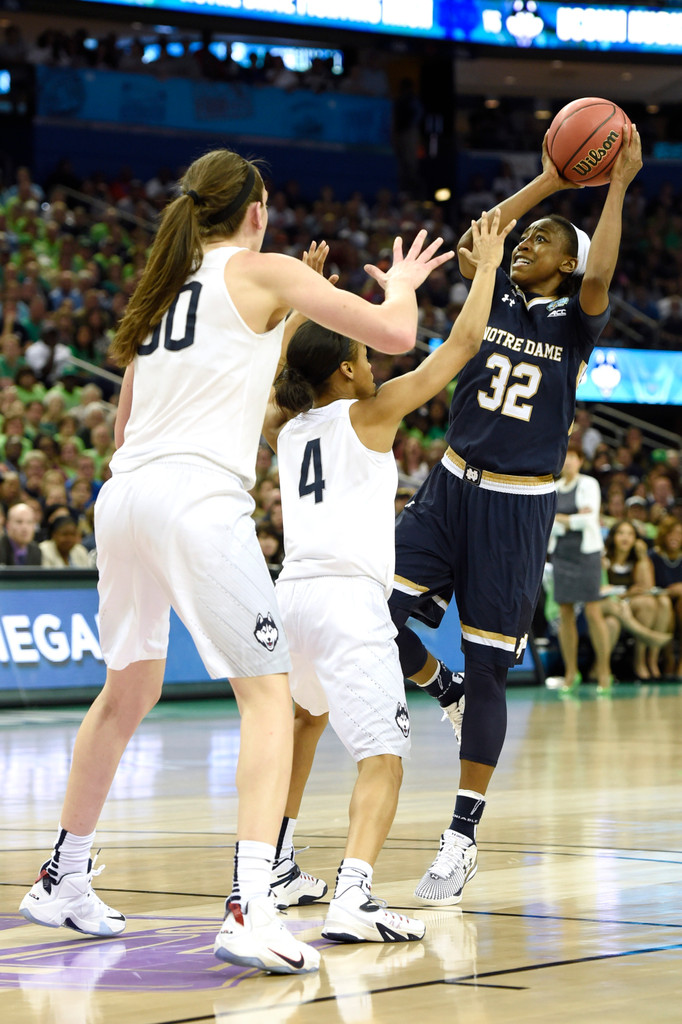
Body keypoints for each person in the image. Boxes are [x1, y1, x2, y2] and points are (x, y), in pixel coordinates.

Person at [18, 147, 453, 977]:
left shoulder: (161, 299)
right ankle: (252, 905)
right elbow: (396, 335)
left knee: (128, 690)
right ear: (255, 210)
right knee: (268, 697)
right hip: (195, 501)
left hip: (125, 498)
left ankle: (63, 873)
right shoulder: (263, 270)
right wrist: (398, 285)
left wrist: (291, 315)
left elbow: (122, 429)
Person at [386, 125, 643, 906]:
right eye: (525, 237)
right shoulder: (494, 284)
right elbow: (475, 242)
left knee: (494, 662)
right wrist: (549, 182)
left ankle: (461, 838)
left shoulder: (576, 319)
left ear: (564, 264)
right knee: (373, 610)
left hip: (518, 505)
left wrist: (616, 187)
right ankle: (442, 687)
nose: (525, 242)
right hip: (451, 483)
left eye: (543, 241)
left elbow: (600, 271)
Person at [262, 212, 514, 943]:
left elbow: (284, 367)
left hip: (291, 600)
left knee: (306, 724)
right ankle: (354, 897)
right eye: (360, 348)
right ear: (345, 370)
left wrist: (304, 299)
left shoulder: (286, 424)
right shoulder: (370, 415)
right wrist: (487, 268)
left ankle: (277, 863)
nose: (373, 356)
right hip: (346, 604)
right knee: (384, 759)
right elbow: (462, 346)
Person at [548, 444, 612, 694]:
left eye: (573, 457)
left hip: (587, 555)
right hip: (562, 555)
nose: (568, 462)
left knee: (593, 611)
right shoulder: (552, 487)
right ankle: (570, 672)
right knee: (565, 614)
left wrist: (561, 518)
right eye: (565, 457)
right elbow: (547, 520)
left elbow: (589, 519)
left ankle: (605, 671)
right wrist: (571, 519)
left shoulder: (589, 484)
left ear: (581, 461)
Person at [601, 519, 672, 680]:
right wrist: (627, 594)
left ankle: (649, 659)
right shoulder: (604, 559)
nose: (625, 538)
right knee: (647, 603)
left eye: (630, 534)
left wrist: (642, 556)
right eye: (621, 533)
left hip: (632, 605)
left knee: (658, 602)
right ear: (613, 537)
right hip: (611, 604)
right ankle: (640, 657)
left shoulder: (636, 560)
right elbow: (601, 590)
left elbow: (647, 587)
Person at [649, 515, 682, 678]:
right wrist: (669, 592)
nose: (675, 538)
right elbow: (649, 587)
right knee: (665, 605)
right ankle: (667, 658)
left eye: (679, 534)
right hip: (659, 602)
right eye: (671, 533)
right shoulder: (654, 557)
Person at [0, 501, 42, 565]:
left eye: (29, 522)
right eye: (19, 522)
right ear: (8, 525)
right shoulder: (1, 547)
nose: (25, 528)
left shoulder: (36, 551)